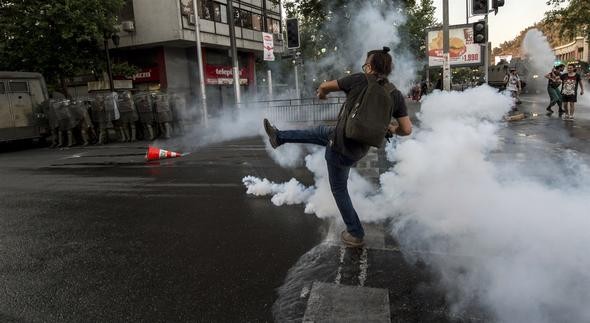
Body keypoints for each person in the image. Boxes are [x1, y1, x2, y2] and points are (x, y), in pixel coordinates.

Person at [263, 47, 412, 247]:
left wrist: (322, 94)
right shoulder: (395, 95)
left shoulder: (359, 80)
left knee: (340, 190)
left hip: (340, 147)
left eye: (366, 63)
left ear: (369, 66)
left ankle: (355, 233)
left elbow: (325, 86)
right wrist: (393, 129)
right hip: (357, 147)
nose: (364, 66)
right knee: (319, 132)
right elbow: (407, 129)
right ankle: (279, 137)